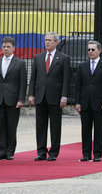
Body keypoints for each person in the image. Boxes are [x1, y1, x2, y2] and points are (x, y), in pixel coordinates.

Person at [28, 32, 71, 161]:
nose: (47, 42)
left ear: (56, 42)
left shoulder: (63, 58)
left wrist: (64, 96)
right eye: (46, 40)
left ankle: (53, 152)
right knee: (40, 125)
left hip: (55, 97)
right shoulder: (38, 57)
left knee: (55, 126)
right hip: (40, 96)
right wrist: (31, 94)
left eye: (50, 40)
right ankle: (41, 151)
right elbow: (33, 78)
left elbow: (66, 80)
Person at [0, 36, 27, 160]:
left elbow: (23, 83)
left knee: (11, 125)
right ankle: (1, 151)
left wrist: (21, 99)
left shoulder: (20, 63)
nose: (6, 49)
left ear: (13, 48)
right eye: (4, 46)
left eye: (8, 47)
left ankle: (10, 151)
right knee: (0, 125)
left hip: (13, 99)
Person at [74, 40, 102, 162]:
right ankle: (86, 154)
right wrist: (77, 102)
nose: (90, 52)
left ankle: (97, 154)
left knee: (99, 130)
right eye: (89, 50)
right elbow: (78, 86)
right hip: (85, 102)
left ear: (99, 51)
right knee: (85, 129)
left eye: (93, 49)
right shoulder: (82, 66)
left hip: (99, 103)